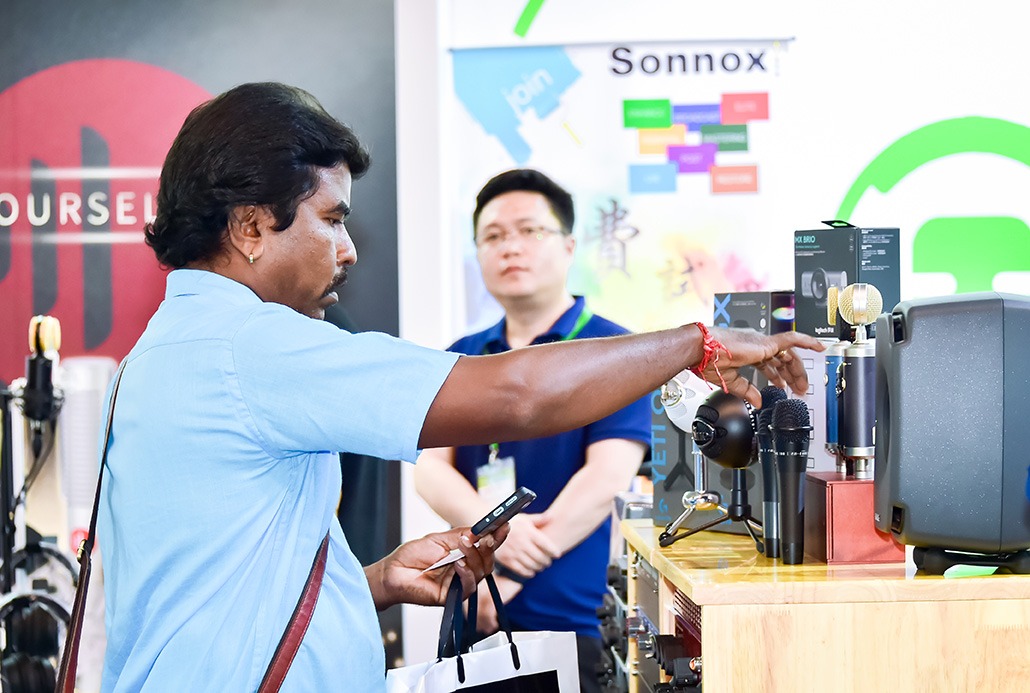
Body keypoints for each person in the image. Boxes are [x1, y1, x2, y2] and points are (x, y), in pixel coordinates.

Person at [96, 82, 822, 692]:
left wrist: (374, 580)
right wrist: (702, 342)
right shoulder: (254, 344)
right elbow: (520, 397)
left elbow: (212, 579)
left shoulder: (157, 354)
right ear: (253, 226)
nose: (348, 249)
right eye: (332, 219)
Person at [414, 169, 650, 691]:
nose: (510, 247)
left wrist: (511, 570)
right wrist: (501, 537)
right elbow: (431, 470)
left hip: (573, 622)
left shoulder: (616, 351)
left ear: (568, 246)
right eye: (493, 236)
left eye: (529, 231)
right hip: (475, 618)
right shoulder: (463, 356)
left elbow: (608, 476)